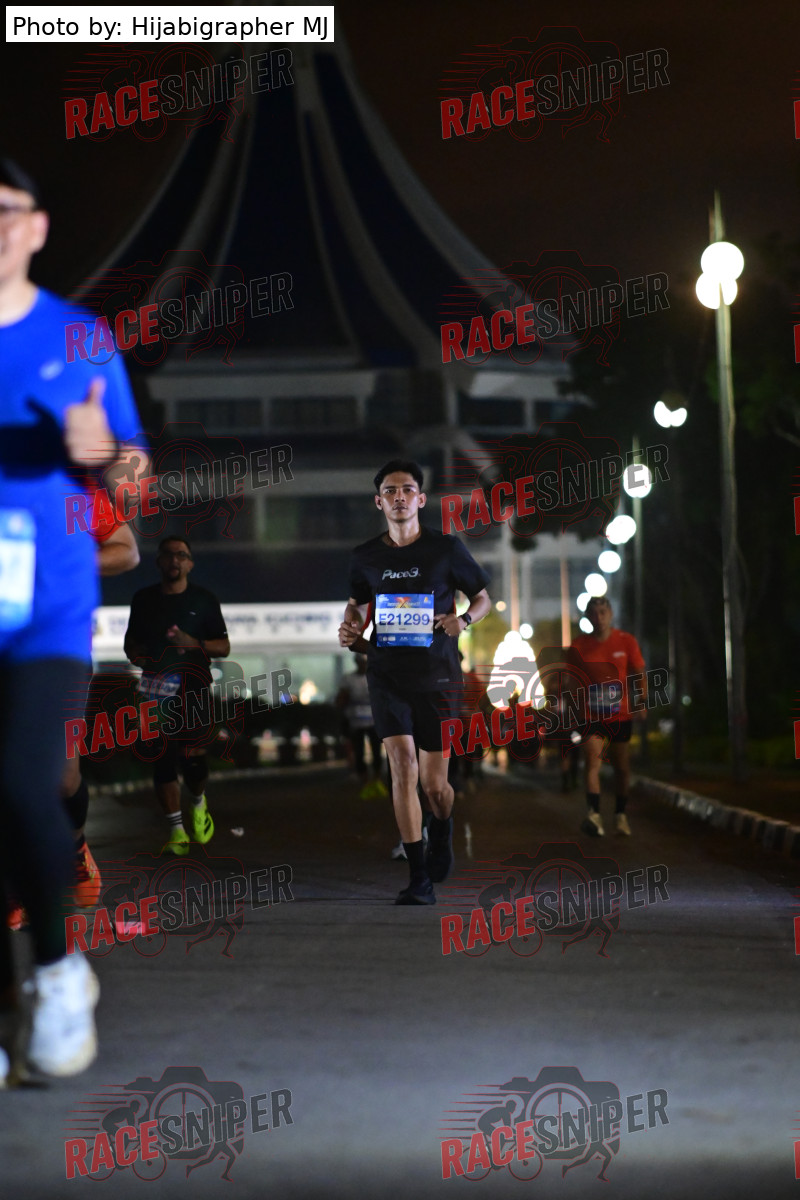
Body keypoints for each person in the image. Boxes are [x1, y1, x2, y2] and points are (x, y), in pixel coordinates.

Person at [0, 156, 143, 1080]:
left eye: (5, 210)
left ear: (37, 226)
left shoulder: (79, 339)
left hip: (45, 619)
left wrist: (102, 456)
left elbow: (132, 466)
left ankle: (56, 970)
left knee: (26, 785)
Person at [339, 460, 491, 904]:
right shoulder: (366, 556)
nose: (399, 497)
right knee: (402, 766)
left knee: (434, 787)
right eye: (390, 491)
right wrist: (350, 626)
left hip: (438, 677)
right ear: (379, 502)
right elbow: (355, 603)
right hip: (387, 674)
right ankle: (418, 876)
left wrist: (463, 620)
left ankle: (441, 826)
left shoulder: (446, 549)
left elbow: (482, 598)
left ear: (421, 499)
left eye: (407, 489)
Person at [124, 536, 230, 855]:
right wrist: (139, 657)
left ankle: (197, 802)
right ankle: (176, 830)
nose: (174, 560)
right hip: (155, 685)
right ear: (158, 561)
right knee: (162, 758)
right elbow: (131, 643)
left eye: (181, 555)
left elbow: (224, 647)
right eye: (168, 555)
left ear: (190, 563)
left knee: (193, 760)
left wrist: (193, 643)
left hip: (193, 685)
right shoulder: (143, 599)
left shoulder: (204, 600)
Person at [570, 596, 647, 836]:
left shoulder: (626, 641)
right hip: (590, 714)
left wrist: (642, 701)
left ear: (611, 614)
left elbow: (639, 672)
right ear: (587, 617)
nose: (599, 618)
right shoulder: (578, 645)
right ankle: (594, 814)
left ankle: (620, 815)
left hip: (619, 714)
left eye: (603, 612)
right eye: (594, 613)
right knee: (592, 762)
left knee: (621, 767)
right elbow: (572, 680)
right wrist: (573, 707)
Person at [335, 653, 387, 798]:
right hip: (356, 721)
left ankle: (376, 779)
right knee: (359, 752)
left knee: (376, 752)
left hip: (373, 720)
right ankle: (365, 781)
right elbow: (342, 698)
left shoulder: (376, 677)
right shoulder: (349, 679)